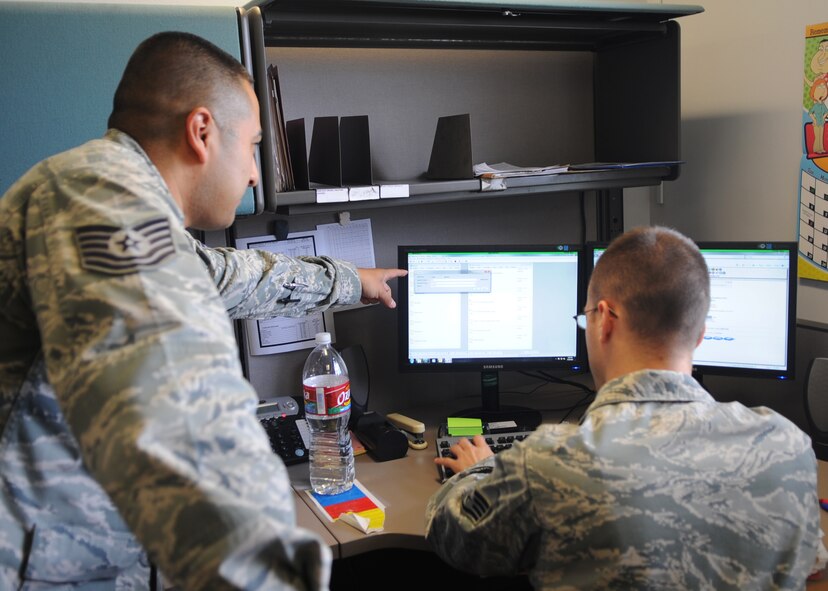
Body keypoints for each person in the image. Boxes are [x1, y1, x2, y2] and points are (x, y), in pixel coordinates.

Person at [0, 31, 405, 590]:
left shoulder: (122, 207)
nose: (256, 173)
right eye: (253, 146)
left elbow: (232, 276)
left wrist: (351, 281)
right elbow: (182, 411)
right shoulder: (100, 198)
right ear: (201, 131)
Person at [426, 226, 819, 590]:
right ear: (700, 335)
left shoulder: (551, 462)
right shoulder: (788, 449)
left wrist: (482, 468)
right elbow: (811, 565)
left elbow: (453, 536)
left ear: (605, 321)